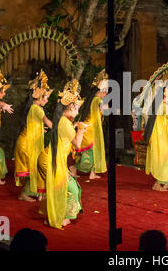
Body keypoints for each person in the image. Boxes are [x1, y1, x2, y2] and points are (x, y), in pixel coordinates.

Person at [37, 80, 87, 229]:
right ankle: (58, 217)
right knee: (68, 188)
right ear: (71, 106)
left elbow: (65, 133)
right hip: (50, 160)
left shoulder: (63, 120)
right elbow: (77, 144)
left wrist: (76, 126)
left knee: (67, 186)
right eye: (77, 107)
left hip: (52, 158)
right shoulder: (65, 122)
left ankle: (55, 215)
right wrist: (81, 129)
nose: (78, 111)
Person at [14, 70, 53, 202]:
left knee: (36, 168)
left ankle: (39, 194)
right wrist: (64, 128)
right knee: (35, 168)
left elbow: (35, 124)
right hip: (26, 144)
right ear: (39, 97)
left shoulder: (33, 108)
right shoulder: (37, 109)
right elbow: (48, 122)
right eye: (46, 97)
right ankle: (25, 194)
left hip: (26, 141)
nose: (46, 100)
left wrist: (41, 129)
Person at [72, 69, 108, 180]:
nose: (106, 94)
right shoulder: (96, 100)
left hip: (92, 130)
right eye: (104, 91)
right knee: (90, 156)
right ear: (99, 91)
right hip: (89, 132)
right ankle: (73, 168)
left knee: (95, 154)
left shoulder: (93, 99)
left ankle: (92, 173)